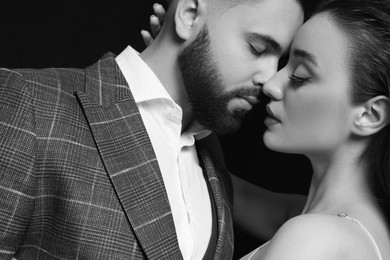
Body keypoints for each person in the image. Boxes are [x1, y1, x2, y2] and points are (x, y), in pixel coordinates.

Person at [0, 0, 308, 259]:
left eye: (278, 59)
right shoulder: (30, 101)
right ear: (188, 17)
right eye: (257, 48)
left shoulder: (211, 160)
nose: (269, 78)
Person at [240, 0, 390, 258]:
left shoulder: (313, 236)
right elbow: (227, 190)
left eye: (300, 75)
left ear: (369, 115)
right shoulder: (333, 223)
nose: (270, 85)